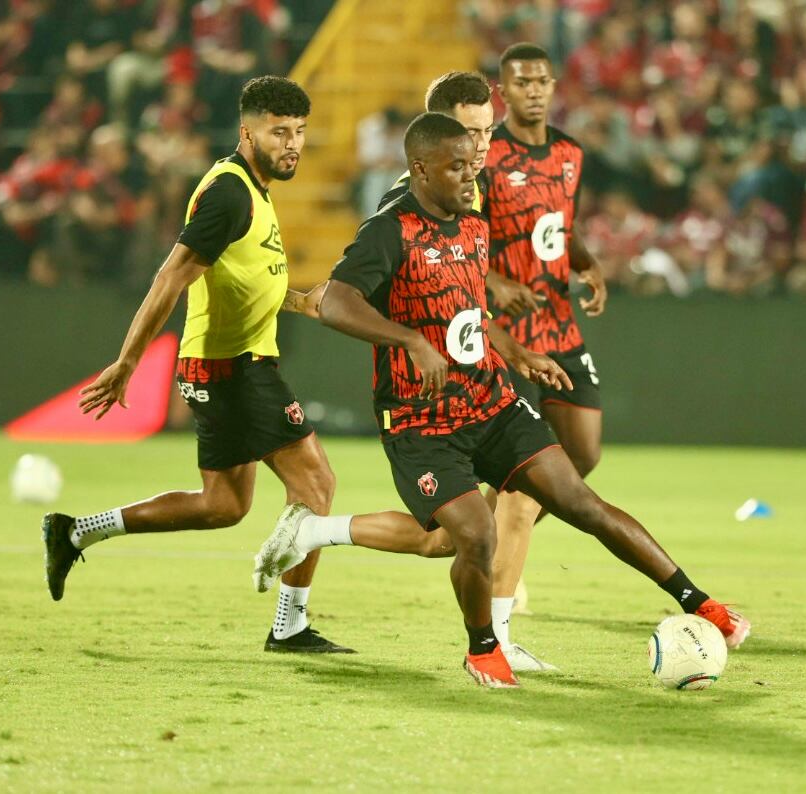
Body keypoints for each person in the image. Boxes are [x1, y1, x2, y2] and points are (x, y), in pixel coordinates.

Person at [255, 112, 750, 688]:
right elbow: (338, 302)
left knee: (581, 503)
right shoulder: (388, 230)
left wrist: (515, 351)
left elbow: (470, 312)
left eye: (474, 164)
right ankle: (483, 648)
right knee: (472, 535)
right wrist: (410, 339)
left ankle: (698, 600)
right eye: (457, 166)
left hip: (491, 401)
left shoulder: (473, 225)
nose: (471, 177)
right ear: (420, 168)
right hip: (422, 421)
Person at [40, 76, 353, 654]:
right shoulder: (231, 191)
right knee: (318, 482)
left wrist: (298, 299)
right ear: (246, 130)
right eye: (279, 131)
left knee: (222, 506)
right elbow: (172, 274)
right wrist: (127, 361)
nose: (292, 143)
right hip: (233, 367)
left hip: (230, 365)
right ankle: (289, 625)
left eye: (300, 132)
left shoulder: (254, 191)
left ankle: (75, 532)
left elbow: (244, 275)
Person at [480, 42, 609, 664]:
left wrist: (586, 264)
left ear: (553, 85)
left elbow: (562, 221)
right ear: (503, 91)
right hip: (504, 334)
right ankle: (503, 565)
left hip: (560, 323)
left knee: (581, 457)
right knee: (526, 481)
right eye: (521, 82)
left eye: (541, 81)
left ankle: (496, 536)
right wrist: (496, 285)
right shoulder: (485, 157)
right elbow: (459, 233)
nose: (533, 90)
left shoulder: (569, 153)